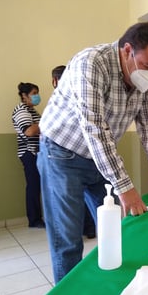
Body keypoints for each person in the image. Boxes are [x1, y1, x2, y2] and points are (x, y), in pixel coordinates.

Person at [37, 21, 148, 283]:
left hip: (96, 159)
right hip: (61, 155)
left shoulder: (141, 82)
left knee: (114, 228)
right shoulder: (90, 63)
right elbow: (95, 129)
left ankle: (111, 283)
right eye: (147, 65)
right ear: (126, 51)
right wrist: (125, 186)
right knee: (67, 239)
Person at [51, 64, 96, 239]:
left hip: (66, 157)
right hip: (87, 153)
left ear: (54, 81)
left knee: (69, 208)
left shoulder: (57, 101)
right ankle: (89, 229)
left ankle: (85, 230)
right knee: (87, 200)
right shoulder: (84, 93)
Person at [12, 82, 45, 228]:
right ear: (24, 96)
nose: (37, 96)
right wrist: (46, 122)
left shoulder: (32, 111)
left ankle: (38, 218)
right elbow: (29, 131)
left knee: (38, 185)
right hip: (29, 153)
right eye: (33, 93)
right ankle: (34, 220)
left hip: (37, 153)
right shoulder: (21, 110)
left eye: (37, 93)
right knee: (33, 186)